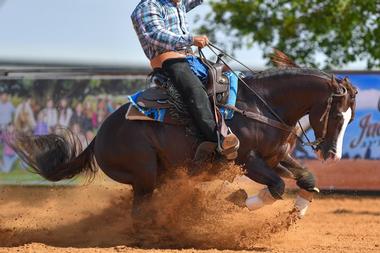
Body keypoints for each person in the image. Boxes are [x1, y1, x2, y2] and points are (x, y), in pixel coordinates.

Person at [131, 0, 239, 160]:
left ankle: (234, 123)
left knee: (230, 77)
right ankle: (217, 139)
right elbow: (155, 35)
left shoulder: (176, 3)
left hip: (189, 59)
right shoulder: (147, 6)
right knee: (194, 90)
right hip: (167, 60)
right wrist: (190, 39)